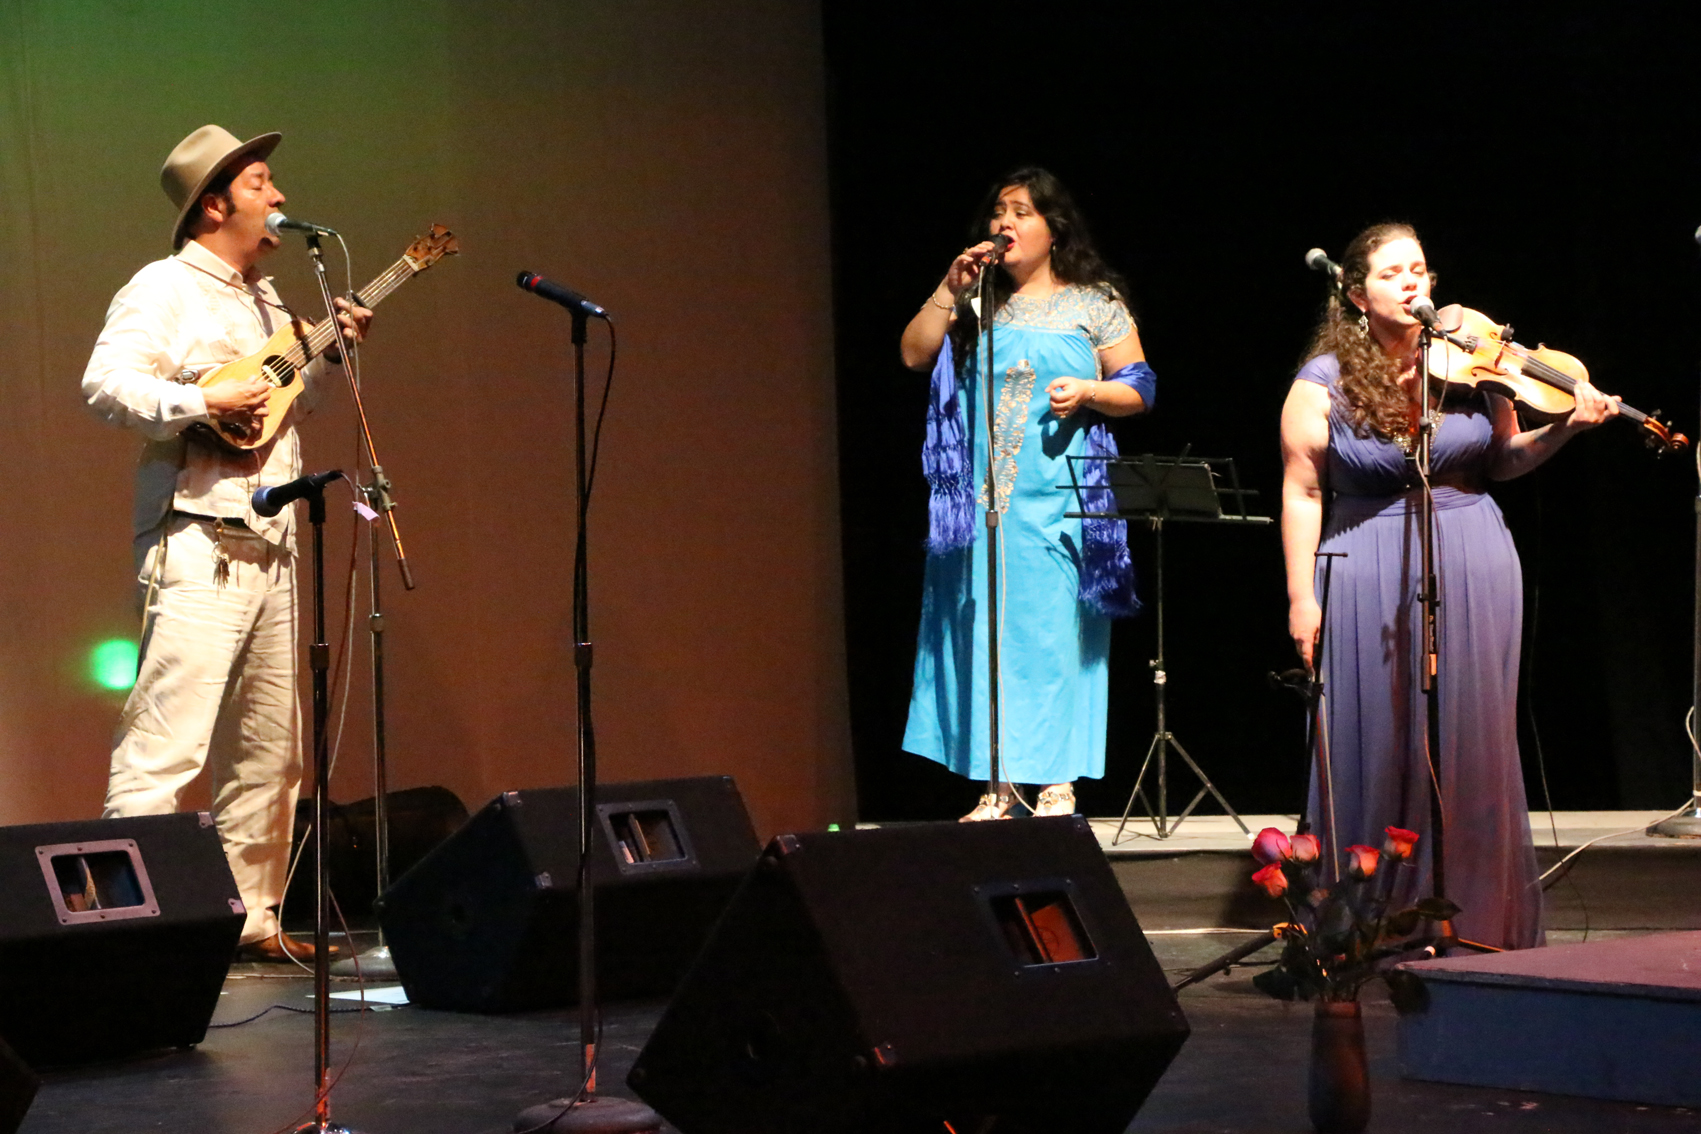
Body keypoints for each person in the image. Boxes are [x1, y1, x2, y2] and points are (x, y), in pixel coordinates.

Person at [1279, 222, 1618, 950]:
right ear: (1355, 293)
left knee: (1470, 737)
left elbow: (1503, 459)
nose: (1412, 282)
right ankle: (1367, 919)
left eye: (1420, 269)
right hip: (1363, 560)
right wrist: (1301, 597)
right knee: (1374, 738)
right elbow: (1302, 492)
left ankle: (1472, 916)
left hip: (1472, 553)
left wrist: (1565, 429)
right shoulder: (1323, 380)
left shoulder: (1470, 362)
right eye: (1392, 273)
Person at [82, 125, 373, 962]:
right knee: (165, 745)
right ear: (213, 205)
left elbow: (286, 407)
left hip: (274, 541)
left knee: (269, 749)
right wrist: (201, 404)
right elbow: (106, 384)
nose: (278, 197)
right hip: (198, 538)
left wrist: (327, 359)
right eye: (259, 184)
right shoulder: (164, 286)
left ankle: (253, 918)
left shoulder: (271, 303)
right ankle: (119, 929)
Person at [898, 167, 1155, 821]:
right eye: (998, 212)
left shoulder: (1094, 303)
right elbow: (914, 355)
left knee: (1053, 637)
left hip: (1060, 500)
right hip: (983, 508)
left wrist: (1091, 391)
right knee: (986, 635)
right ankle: (999, 784)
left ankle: (1056, 782)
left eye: (1020, 212)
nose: (1003, 223)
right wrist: (949, 288)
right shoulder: (978, 300)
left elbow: (1140, 387)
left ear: (1053, 229)